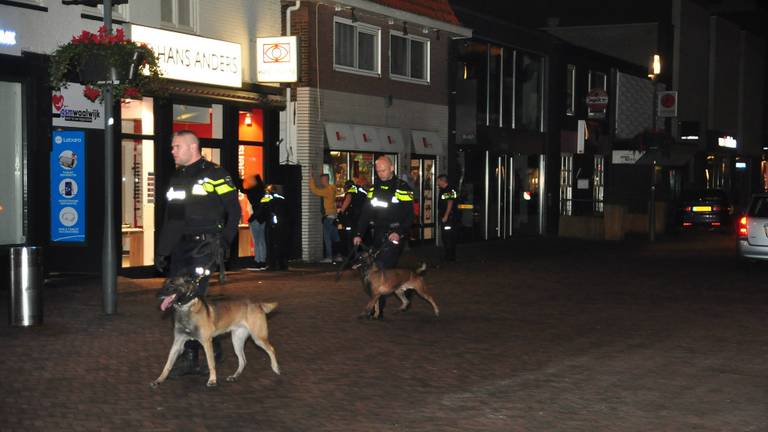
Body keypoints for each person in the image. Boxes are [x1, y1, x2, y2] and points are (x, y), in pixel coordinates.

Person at [155, 130, 240, 376]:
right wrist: (163, 250)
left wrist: (224, 241)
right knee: (177, 298)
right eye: (172, 147)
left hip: (205, 246)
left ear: (193, 147)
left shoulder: (216, 174)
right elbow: (173, 218)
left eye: (176, 146)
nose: (172, 151)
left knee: (193, 297)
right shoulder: (177, 178)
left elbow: (233, 212)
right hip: (181, 247)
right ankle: (209, 344)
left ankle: (191, 356)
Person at [353, 156, 414, 316]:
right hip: (378, 233)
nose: (380, 173)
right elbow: (365, 214)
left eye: (383, 170)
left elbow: (409, 216)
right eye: (378, 170)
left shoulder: (402, 188)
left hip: (395, 234)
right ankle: (403, 288)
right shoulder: (374, 189)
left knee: (382, 267)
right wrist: (359, 233)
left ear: (392, 168)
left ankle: (377, 310)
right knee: (377, 267)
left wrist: (399, 233)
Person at [309, 170, 340, 263]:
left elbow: (314, 190)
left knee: (327, 237)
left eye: (322, 180)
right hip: (333, 216)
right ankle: (338, 255)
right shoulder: (333, 188)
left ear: (326, 180)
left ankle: (329, 257)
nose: (321, 182)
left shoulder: (327, 190)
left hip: (328, 216)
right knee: (335, 237)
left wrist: (312, 179)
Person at [238, 174, 267, 271]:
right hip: (262, 219)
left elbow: (243, 189)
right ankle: (262, 261)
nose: (248, 182)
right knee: (261, 241)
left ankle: (258, 261)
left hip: (256, 219)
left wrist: (252, 218)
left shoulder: (253, 192)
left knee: (257, 241)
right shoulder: (262, 191)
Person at [260, 184, 290, 271]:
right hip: (282, 224)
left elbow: (262, 206)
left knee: (271, 244)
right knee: (281, 244)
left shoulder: (268, 198)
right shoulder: (282, 198)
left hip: (272, 224)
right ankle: (282, 264)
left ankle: (272, 264)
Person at [338, 178, 368, 255]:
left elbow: (348, 200)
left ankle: (351, 255)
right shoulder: (363, 192)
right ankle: (360, 255)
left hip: (352, 217)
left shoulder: (352, 190)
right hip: (362, 217)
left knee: (350, 236)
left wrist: (341, 212)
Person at [437, 174, 459, 262]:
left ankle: (449, 257)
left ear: (443, 181)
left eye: (438, 181)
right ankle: (450, 256)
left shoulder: (449, 189)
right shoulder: (444, 190)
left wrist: (446, 215)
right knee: (447, 237)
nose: (437, 183)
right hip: (447, 217)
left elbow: (450, 202)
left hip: (449, 218)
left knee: (448, 237)